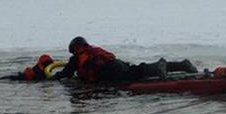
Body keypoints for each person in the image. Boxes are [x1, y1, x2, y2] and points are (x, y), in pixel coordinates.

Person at [51, 36, 198, 83]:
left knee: (136, 74)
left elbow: (66, 74)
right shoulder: (93, 50)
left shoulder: (76, 59)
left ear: (75, 48)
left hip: (111, 72)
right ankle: (182, 65)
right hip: (116, 64)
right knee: (136, 70)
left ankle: (158, 67)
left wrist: (51, 78)